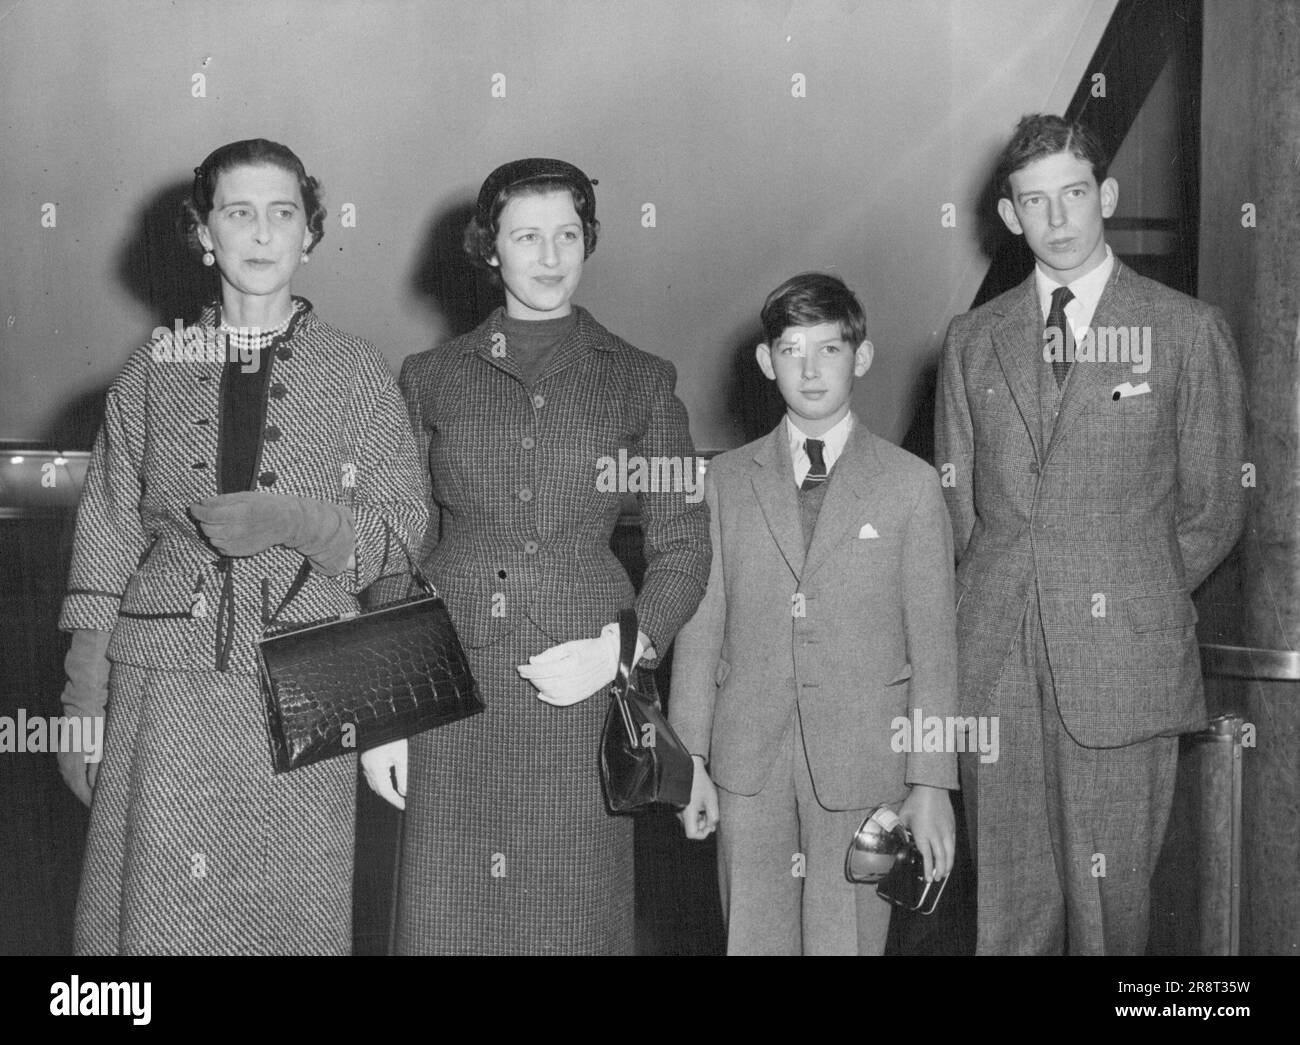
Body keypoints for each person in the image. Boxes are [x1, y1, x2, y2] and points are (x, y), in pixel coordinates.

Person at [56, 138, 427, 955]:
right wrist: (83, 708)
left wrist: (299, 519)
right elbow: (108, 539)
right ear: (204, 234)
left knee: (293, 915)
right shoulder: (151, 370)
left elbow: (404, 534)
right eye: (239, 213)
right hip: (165, 692)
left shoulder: (361, 372)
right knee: (159, 923)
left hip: (310, 685)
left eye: (283, 215)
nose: (262, 235)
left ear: (311, 235)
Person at [362, 158, 710, 955]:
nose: (550, 256)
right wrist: (388, 715)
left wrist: (621, 648)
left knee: (571, 921)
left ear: (588, 242)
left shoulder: (642, 381)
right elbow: (396, 547)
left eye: (567, 234)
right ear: (491, 249)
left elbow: (684, 543)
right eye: (527, 236)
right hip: (447, 691)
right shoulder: (429, 377)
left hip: (583, 687)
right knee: (447, 925)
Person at [934, 114, 1246, 955]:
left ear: (1105, 195)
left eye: (1074, 193)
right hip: (995, 660)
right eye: (1035, 202)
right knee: (1006, 917)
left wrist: (1119, 592)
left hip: (1122, 667)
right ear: (1010, 217)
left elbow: (1215, 506)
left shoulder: (1184, 329)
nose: (1058, 218)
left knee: (1110, 924)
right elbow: (960, 508)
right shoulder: (971, 340)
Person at [669, 272, 958, 955]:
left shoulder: (911, 486)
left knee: (849, 941)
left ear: (860, 357)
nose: (810, 367)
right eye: (792, 349)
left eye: (829, 349)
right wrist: (689, 763)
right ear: (768, 362)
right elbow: (701, 629)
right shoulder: (726, 481)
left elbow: (938, 648)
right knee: (751, 939)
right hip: (747, 765)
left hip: (867, 767)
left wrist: (930, 780)